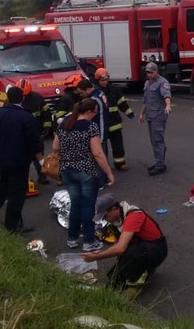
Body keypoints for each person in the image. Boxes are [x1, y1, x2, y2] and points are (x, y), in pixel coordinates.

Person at [53, 97, 116, 251]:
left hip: (67, 171)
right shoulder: (90, 127)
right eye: (94, 112)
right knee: (88, 206)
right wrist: (109, 173)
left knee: (75, 204)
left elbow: (55, 147)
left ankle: (72, 238)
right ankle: (89, 241)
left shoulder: (64, 123)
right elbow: (98, 153)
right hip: (86, 171)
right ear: (89, 112)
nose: (95, 115)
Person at [0, 86, 44, 233]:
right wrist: (41, 161)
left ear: (7, 97)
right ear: (22, 98)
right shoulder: (26, 117)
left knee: (3, 184)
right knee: (17, 192)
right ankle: (13, 225)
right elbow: (34, 142)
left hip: (1, 158)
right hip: (19, 160)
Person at [83, 193, 168, 296]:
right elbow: (117, 244)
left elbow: (120, 248)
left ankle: (137, 283)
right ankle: (140, 271)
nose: (104, 219)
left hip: (156, 250)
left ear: (114, 208)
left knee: (130, 253)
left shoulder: (133, 216)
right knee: (113, 281)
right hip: (141, 246)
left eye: (105, 215)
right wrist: (100, 252)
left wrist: (96, 257)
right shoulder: (116, 220)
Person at [95, 67, 135, 171]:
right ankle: (104, 166)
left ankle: (120, 163)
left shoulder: (114, 89)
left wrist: (130, 114)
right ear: (97, 80)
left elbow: (121, 103)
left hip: (115, 122)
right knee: (102, 147)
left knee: (118, 145)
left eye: (106, 80)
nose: (104, 82)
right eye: (102, 80)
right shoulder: (95, 91)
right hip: (101, 124)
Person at [16, 78, 52, 184]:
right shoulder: (13, 99)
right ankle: (23, 179)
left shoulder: (37, 98)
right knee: (23, 159)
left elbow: (46, 112)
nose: (24, 97)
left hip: (36, 133)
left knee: (39, 156)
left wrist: (46, 128)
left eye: (26, 94)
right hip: (21, 135)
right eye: (22, 95)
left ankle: (42, 176)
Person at [139, 62, 172, 176]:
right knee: (154, 141)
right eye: (147, 72)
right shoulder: (148, 83)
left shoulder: (162, 83)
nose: (149, 75)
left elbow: (167, 96)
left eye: (151, 72)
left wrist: (168, 106)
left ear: (156, 71)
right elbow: (145, 101)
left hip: (158, 116)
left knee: (158, 140)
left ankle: (160, 165)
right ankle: (159, 160)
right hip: (150, 115)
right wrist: (141, 114)